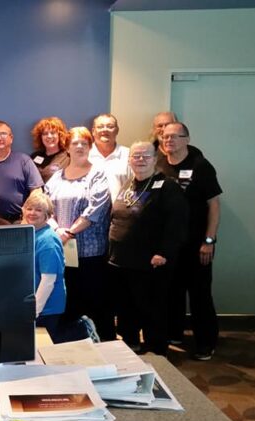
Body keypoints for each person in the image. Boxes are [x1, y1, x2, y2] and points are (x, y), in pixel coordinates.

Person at [109, 141, 188, 355]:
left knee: (151, 307)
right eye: (136, 156)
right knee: (127, 306)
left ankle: (156, 349)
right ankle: (130, 341)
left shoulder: (168, 187)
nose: (140, 160)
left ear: (155, 159)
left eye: (145, 156)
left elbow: (176, 223)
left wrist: (163, 252)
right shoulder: (128, 184)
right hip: (122, 260)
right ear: (129, 160)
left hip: (150, 262)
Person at [158, 122, 222, 360]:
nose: (169, 141)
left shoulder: (201, 166)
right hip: (170, 246)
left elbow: (214, 205)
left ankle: (206, 343)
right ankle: (175, 334)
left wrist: (209, 240)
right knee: (172, 291)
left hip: (197, 245)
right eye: (165, 137)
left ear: (187, 139)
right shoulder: (160, 165)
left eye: (175, 136)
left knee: (200, 295)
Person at [44, 126, 113, 340]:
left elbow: (96, 208)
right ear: (67, 148)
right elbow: (45, 207)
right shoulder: (56, 177)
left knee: (97, 301)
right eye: (75, 143)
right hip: (63, 252)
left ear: (90, 147)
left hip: (90, 254)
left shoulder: (97, 174)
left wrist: (70, 232)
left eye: (84, 143)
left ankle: (106, 345)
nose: (80, 147)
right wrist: (57, 230)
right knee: (68, 301)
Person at [23, 193, 99, 343]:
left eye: (38, 210)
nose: (32, 213)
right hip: (34, 301)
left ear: (48, 215)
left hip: (46, 305)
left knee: (47, 343)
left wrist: (34, 310)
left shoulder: (48, 241)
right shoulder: (31, 233)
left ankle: (81, 330)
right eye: (29, 208)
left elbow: (48, 281)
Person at [0, 121, 43, 222]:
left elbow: (37, 191)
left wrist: (28, 216)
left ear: (11, 138)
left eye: (3, 134)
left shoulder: (23, 160)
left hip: (18, 221)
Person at [89, 114, 129, 202]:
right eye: (100, 127)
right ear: (93, 131)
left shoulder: (128, 155)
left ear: (117, 130)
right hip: (89, 213)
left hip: (119, 212)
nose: (105, 130)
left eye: (110, 127)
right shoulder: (85, 155)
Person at [30, 117, 69, 183]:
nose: (49, 136)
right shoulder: (34, 157)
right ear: (40, 137)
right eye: (45, 134)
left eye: (53, 133)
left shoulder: (68, 157)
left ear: (60, 135)